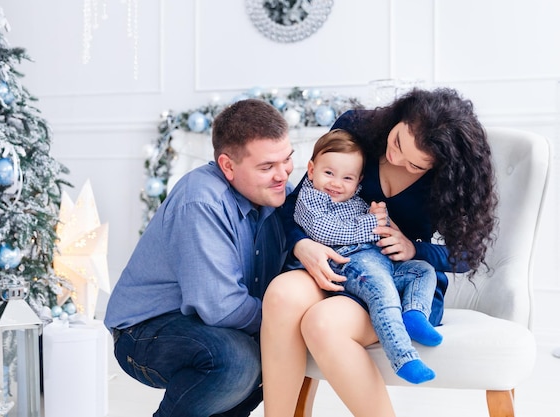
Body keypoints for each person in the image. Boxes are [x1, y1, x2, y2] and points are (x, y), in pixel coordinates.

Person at [261, 87, 498, 417]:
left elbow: (465, 255)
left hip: (397, 285)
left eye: (416, 165)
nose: (397, 159)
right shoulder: (357, 128)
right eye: (398, 143)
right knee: (281, 295)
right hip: (340, 265)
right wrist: (303, 245)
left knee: (323, 323)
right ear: (400, 117)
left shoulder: (448, 180)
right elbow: (296, 205)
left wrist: (414, 248)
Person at [104, 98, 294, 417]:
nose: (282, 175)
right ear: (228, 166)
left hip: (212, 325)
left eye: (287, 160)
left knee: (267, 355)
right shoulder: (201, 201)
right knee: (237, 360)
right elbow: (221, 307)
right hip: (144, 332)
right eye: (266, 167)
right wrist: (288, 323)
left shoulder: (279, 196)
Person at [293, 128, 442, 385]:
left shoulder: (355, 200)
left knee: (422, 270)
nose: (336, 183)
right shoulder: (311, 198)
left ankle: (415, 313)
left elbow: (381, 230)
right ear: (311, 170)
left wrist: (382, 218)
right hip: (350, 264)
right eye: (328, 173)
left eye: (347, 178)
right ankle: (404, 358)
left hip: (383, 263)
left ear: (358, 182)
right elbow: (325, 230)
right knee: (382, 293)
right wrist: (371, 223)